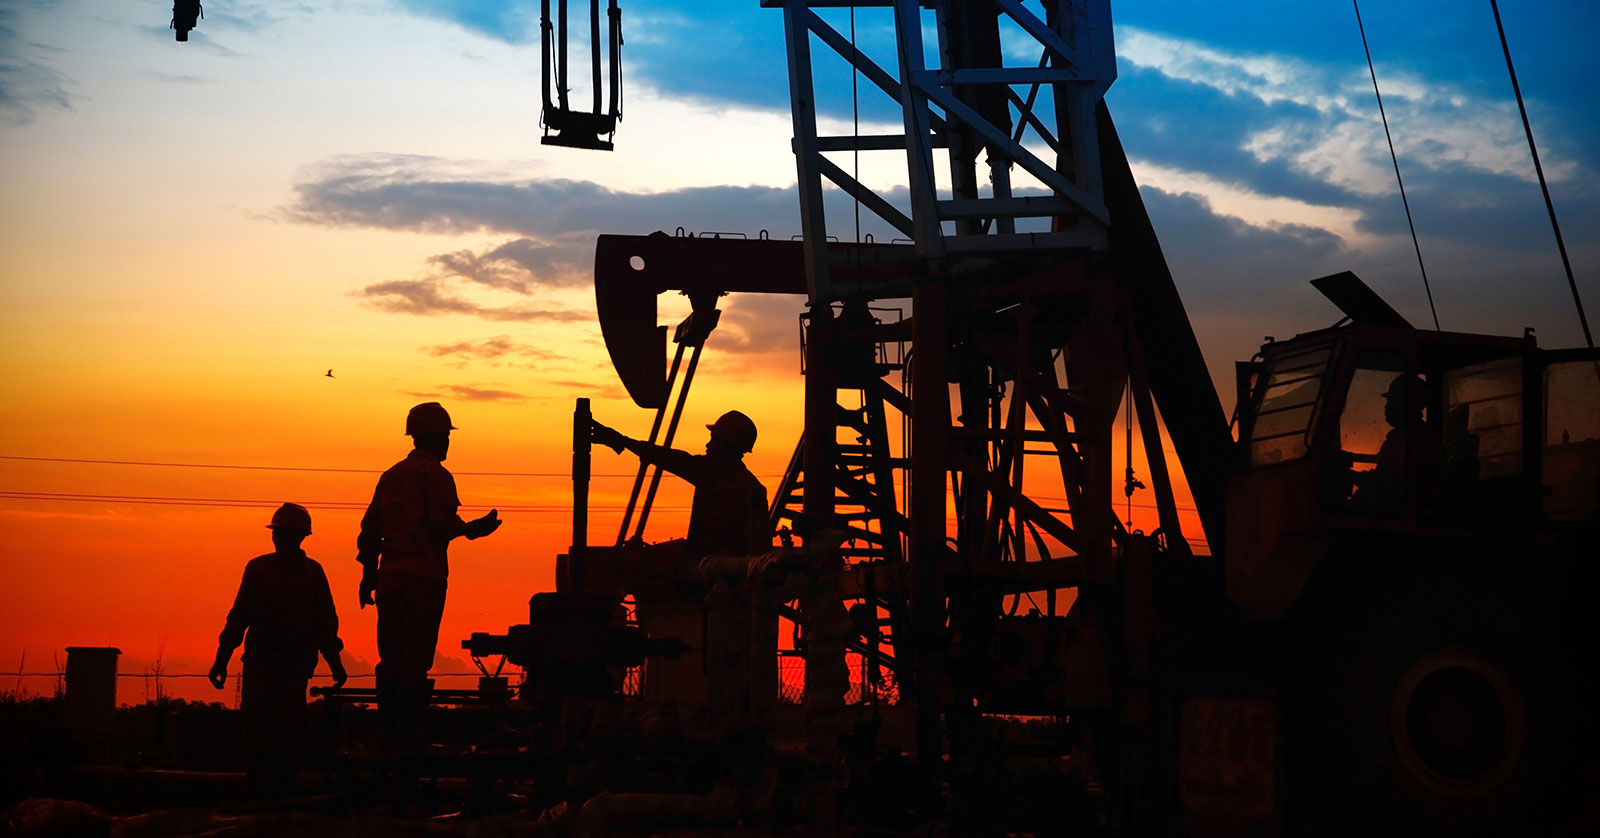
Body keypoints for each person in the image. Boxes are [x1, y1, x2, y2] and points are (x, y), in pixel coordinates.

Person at [356, 402, 502, 756]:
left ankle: (390, 734)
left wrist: (367, 576)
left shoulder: (390, 476)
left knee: (390, 659)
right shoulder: (437, 477)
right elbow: (441, 522)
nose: (449, 444)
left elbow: (369, 530)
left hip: (390, 580)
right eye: (446, 436)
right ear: (436, 437)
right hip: (423, 581)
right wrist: (472, 530)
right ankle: (410, 736)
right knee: (415, 661)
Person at [209, 502, 347, 798]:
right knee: (258, 731)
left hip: (292, 666)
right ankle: (258, 790)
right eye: (277, 534)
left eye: (284, 534)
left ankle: (282, 792)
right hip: (261, 663)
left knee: (286, 732)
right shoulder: (258, 568)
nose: (278, 539)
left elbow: (325, 623)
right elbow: (239, 616)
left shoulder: (311, 574)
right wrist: (222, 658)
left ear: (299, 537)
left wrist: (335, 662)